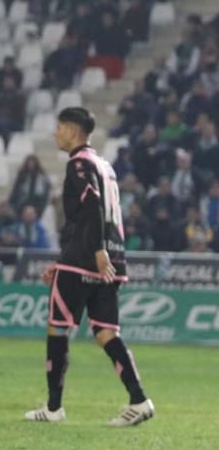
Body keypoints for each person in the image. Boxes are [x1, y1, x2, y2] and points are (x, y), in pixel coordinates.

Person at [25, 108, 154, 426]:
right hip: (109, 256)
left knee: (57, 326)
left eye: (58, 128)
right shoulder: (105, 166)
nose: (55, 134)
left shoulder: (79, 164)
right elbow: (93, 216)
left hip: (87, 259)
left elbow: (92, 209)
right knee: (106, 332)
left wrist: (93, 252)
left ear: (72, 130)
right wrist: (82, 255)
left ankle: (54, 408)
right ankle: (139, 400)